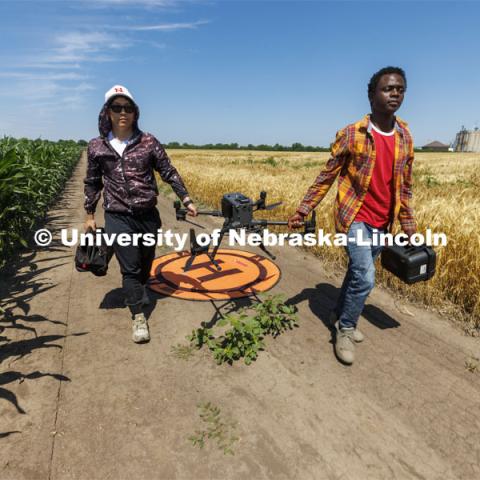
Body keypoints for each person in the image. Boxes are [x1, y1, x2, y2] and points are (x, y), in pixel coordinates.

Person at [288, 67, 416, 365]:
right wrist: (303, 209)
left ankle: (336, 313)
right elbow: (326, 176)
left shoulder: (405, 137)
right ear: (372, 96)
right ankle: (345, 328)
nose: (394, 93)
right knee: (365, 277)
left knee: (356, 273)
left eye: (400, 89)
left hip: (383, 222)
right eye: (387, 89)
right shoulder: (352, 134)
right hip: (354, 217)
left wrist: (408, 226)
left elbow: (405, 186)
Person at [84, 85, 197, 343]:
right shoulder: (97, 147)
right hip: (117, 215)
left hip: (147, 215)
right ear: (107, 112)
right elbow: (92, 182)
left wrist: (186, 198)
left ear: (135, 113)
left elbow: (168, 171)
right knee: (131, 267)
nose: (123, 112)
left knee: (146, 263)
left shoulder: (148, 142)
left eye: (128, 108)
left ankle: (140, 288)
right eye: (116, 107)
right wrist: (89, 214)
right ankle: (137, 316)